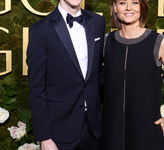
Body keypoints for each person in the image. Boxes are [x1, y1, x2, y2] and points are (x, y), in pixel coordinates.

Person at [102, 0, 164, 149]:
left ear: (142, 7)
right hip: (111, 133)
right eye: (122, 2)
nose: (128, 8)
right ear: (115, 7)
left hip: (147, 133)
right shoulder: (106, 42)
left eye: (134, 2)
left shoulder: (158, 42)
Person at [26, 0, 105, 149]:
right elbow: (36, 88)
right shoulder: (41, 30)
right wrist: (44, 137)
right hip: (59, 131)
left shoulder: (98, 22)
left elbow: (98, 73)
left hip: (94, 128)